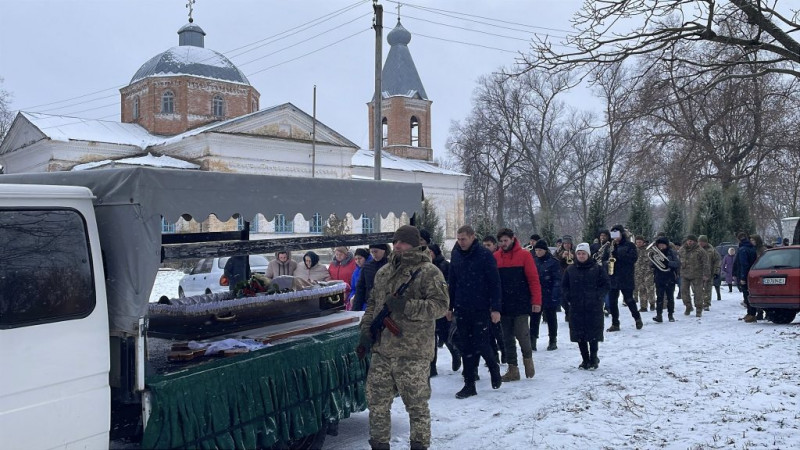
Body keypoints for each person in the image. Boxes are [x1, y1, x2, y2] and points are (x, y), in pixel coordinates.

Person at [356, 225, 449, 450]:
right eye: (396, 242)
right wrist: (365, 331)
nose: (398, 246)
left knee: (416, 406)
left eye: (403, 242)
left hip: (413, 352)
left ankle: (419, 445)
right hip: (382, 350)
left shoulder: (429, 272)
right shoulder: (383, 272)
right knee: (376, 403)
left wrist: (407, 306)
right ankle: (379, 444)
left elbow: (440, 306)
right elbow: (374, 305)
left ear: (415, 244)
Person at [448, 225, 503, 399]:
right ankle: (469, 384)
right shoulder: (456, 254)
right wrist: (449, 307)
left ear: (472, 237)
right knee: (465, 346)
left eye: (463, 239)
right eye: (458, 239)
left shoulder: (484, 255)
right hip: (462, 307)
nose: (460, 242)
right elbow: (452, 281)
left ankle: (493, 367)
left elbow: (495, 283)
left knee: (481, 342)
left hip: (480, 307)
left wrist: (495, 308)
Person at [494, 228, 542, 381]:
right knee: (506, 337)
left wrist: (536, 301)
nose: (503, 244)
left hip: (521, 303)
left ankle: (528, 360)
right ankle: (513, 368)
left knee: (522, 334)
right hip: (503, 304)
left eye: (505, 241)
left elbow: (533, 279)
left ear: (513, 239)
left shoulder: (524, 255)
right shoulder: (495, 257)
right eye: (501, 241)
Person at [561, 243, 609, 370]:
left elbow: (605, 284)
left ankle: (594, 358)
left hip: (593, 307)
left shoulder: (597, 269)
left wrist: (598, 296)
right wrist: (569, 298)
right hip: (576, 307)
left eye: (583, 253)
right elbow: (564, 286)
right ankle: (585, 359)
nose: (581, 256)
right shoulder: (570, 270)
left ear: (588, 254)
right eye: (579, 253)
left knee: (593, 334)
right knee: (579, 335)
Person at [603, 224, 643, 331]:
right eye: (613, 234)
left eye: (617, 233)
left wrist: (618, 253)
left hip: (626, 276)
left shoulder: (630, 245)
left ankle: (637, 318)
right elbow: (603, 259)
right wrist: (607, 262)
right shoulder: (610, 246)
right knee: (612, 302)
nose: (615, 237)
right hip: (613, 276)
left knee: (629, 300)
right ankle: (615, 323)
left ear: (621, 234)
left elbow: (633, 258)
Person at [429, 243, 461, 377]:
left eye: (430, 252)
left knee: (443, 334)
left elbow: (450, 285)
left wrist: (449, 306)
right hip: (428, 306)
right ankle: (432, 367)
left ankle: (455, 352)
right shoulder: (422, 267)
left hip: (441, 305)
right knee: (431, 338)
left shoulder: (443, 265)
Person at [532, 239, 562, 351]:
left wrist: (555, 294)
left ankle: (553, 340)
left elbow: (557, 279)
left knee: (551, 318)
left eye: (540, 250)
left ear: (545, 250)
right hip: (536, 294)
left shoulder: (553, 262)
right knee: (535, 317)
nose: (538, 252)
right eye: (536, 250)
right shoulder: (533, 261)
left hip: (549, 293)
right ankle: (533, 339)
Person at [481, 234, 505, 362]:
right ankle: (494, 355)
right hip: (485, 298)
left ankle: (504, 351)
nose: (486, 247)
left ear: (495, 246)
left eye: (488, 245)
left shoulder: (497, 258)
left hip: (498, 298)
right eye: (484, 245)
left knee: (498, 330)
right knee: (488, 331)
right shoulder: (482, 258)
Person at [352, 243, 391, 311]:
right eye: (371, 252)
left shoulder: (392, 265)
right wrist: (355, 310)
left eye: (376, 251)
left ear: (384, 250)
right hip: (371, 305)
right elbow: (360, 289)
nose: (374, 254)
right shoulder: (367, 267)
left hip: (388, 305)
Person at [678, 235, 709, 317]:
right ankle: (688, 306)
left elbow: (706, 263)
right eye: (688, 240)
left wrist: (706, 274)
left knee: (698, 293)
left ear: (695, 241)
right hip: (684, 274)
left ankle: (699, 309)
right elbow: (678, 260)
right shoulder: (682, 249)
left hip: (697, 275)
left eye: (691, 241)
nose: (689, 242)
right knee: (684, 291)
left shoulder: (700, 251)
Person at [651, 237, 681, 322]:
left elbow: (677, 263)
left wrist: (668, 263)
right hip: (659, 277)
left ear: (666, 245)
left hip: (669, 277)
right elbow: (651, 264)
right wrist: (653, 262)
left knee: (670, 297)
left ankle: (670, 315)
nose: (661, 246)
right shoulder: (655, 253)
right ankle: (658, 315)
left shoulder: (672, 252)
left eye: (663, 244)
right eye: (659, 244)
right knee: (659, 297)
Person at [733, 232, 758, 323]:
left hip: (745, 275)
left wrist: (742, 277)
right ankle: (750, 313)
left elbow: (744, 264)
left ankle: (751, 314)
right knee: (748, 294)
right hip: (752, 274)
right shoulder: (751, 248)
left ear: (738, 239)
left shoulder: (743, 249)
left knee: (746, 294)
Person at [698, 236, 721, 309]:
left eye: (702, 242)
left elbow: (717, 261)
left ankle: (706, 304)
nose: (700, 243)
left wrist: (716, 271)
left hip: (708, 273)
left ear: (706, 242)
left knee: (707, 289)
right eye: (699, 241)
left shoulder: (712, 250)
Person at [634, 236, 656, 312]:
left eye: (640, 242)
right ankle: (643, 306)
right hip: (638, 273)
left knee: (650, 289)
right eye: (637, 242)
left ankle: (652, 303)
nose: (638, 244)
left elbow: (654, 259)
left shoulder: (649, 249)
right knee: (641, 289)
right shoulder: (635, 250)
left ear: (643, 242)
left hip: (648, 272)